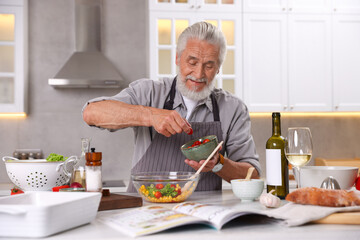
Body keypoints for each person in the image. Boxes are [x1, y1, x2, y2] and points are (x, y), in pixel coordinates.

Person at [82, 22, 260, 192]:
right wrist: (150, 115)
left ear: (218, 68)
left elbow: (252, 175)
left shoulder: (233, 109)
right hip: (145, 210)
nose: (198, 74)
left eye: (209, 65)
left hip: (201, 212)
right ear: (177, 58)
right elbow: (92, 113)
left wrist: (219, 163)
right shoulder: (149, 92)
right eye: (192, 62)